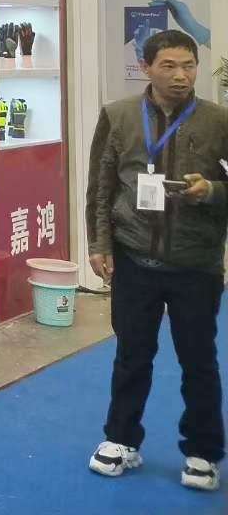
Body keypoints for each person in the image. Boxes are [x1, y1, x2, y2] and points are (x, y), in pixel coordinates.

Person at [86, 30, 228, 493]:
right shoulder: (119, 116)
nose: (181, 75)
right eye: (169, 65)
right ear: (146, 67)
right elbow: (102, 186)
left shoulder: (218, 121)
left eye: (188, 65)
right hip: (134, 260)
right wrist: (99, 244)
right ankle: (121, 439)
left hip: (196, 264)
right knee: (132, 355)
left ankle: (202, 451)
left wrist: (212, 191)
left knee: (199, 361)